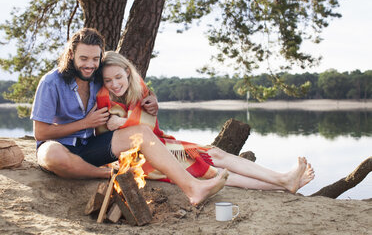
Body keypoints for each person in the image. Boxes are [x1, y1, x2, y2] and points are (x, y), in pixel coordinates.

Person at [30, 27, 228, 206]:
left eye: (95, 59)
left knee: (141, 133)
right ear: (71, 55)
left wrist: (152, 98)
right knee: (52, 155)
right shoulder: (51, 82)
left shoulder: (97, 76)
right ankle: (112, 174)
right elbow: (41, 132)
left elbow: (132, 83)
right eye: (84, 59)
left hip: (90, 147)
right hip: (58, 147)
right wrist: (85, 123)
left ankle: (193, 188)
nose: (90, 65)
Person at [97, 51, 315, 193]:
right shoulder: (102, 100)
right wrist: (127, 122)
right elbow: (114, 135)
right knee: (214, 173)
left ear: (127, 72)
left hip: (160, 143)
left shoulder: (139, 89)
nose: (114, 84)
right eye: (108, 80)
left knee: (216, 154)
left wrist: (124, 121)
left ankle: (283, 179)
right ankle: (283, 183)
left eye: (118, 77)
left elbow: (147, 126)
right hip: (142, 159)